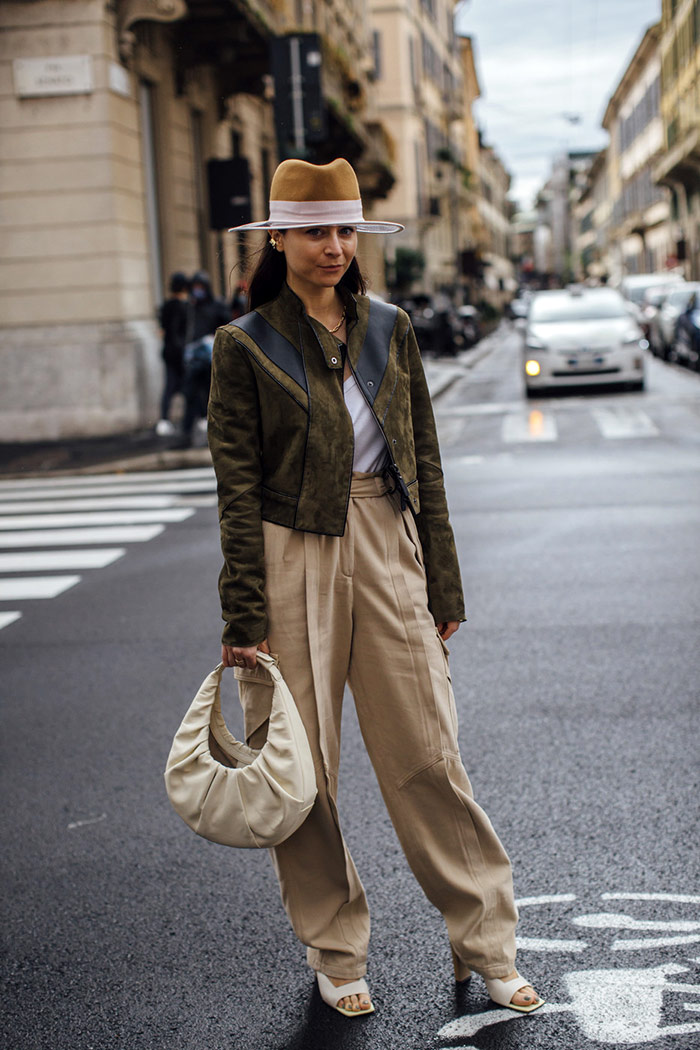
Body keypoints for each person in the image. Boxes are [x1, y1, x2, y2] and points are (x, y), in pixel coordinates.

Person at [207, 158, 544, 1019]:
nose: (334, 247)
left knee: (428, 753)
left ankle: (486, 943)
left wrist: (443, 582)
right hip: (289, 551)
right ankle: (335, 946)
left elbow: (423, 458)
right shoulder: (244, 344)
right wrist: (244, 613)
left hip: (387, 540)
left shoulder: (391, 328)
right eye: (316, 231)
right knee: (302, 769)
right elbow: (236, 488)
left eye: (346, 231)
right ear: (277, 238)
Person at [180, 271, 230, 446]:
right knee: (190, 394)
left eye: (200, 287)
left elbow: (227, 326)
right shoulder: (191, 308)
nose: (197, 290)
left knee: (214, 396)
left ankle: (220, 434)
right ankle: (186, 434)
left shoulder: (216, 306)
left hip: (211, 357)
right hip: (195, 358)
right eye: (195, 287)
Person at [155, 272, 190, 435]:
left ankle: (164, 420)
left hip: (169, 351)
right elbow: (179, 331)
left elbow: (163, 330)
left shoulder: (166, 306)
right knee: (189, 387)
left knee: (169, 387)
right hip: (180, 352)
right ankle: (190, 422)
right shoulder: (182, 306)